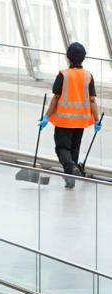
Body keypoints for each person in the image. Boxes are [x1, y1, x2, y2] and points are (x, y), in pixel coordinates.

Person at [43, 42, 102, 189]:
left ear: (68, 58)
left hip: (64, 120)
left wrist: (46, 116)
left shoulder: (63, 74)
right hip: (80, 121)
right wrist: (97, 119)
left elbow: (56, 97)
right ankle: (71, 178)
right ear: (83, 58)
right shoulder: (88, 76)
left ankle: (71, 169)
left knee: (62, 148)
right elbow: (92, 100)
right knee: (74, 148)